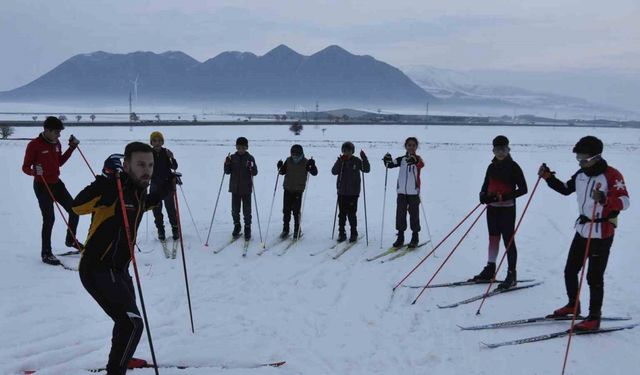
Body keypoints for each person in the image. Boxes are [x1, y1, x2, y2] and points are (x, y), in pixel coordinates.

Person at [73, 142, 174, 375]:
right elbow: (77, 206)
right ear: (126, 165)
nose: (146, 170)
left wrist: (165, 189)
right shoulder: (112, 189)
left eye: (150, 165)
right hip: (97, 269)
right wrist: (104, 184)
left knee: (126, 322)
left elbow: (142, 205)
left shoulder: (137, 192)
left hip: (119, 270)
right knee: (132, 323)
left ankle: (122, 356)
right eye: (140, 164)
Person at [539, 136, 629, 331]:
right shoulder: (581, 174)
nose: (580, 162)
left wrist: (606, 199)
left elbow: (625, 202)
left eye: (584, 159)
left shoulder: (612, 175)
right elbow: (565, 189)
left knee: (594, 277)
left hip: (602, 232)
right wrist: (548, 178)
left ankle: (594, 318)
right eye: (578, 158)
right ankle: (573, 305)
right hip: (582, 230)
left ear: (597, 157)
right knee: (570, 270)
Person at [21, 116, 81, 265]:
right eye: (56, 132)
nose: (59, 135)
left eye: (60, 132)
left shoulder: (57, 143)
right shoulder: (34, 145)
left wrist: (72, 148)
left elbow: (58, 162)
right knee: (49, 219)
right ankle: (46, 253)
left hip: (56, 183)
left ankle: (71, 240)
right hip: (42, 186)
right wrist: (34, 171)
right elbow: (25, 167)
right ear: (47, 130)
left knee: (75, 210)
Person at [470, 135, 528, 290]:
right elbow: (486, 184)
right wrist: (482, 195)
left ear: (508, 150)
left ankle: (511, 274)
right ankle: (490, 269)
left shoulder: (513, 166)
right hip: (493, 208)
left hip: (507, 209)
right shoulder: (492, 166)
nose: (500, 152)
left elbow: (523, 189)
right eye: (497, 150)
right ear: (493, 150)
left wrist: (504, 196)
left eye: (503, 149)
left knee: (508, 240)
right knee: (493, 238)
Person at [382, 137, 424, 248]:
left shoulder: (418, 159)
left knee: (414, 215)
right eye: (409, 145)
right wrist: (387, 160)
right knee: (400, 214)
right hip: (401, 192)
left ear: (416, 147)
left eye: (413, 145)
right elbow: (390, 164)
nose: (411, 147)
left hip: (413, 193)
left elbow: (420, 164)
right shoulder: (401, 159)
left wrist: (415, 160)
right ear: (406, 146)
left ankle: (415, 237)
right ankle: (400, 237)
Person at [331, 141, 370, 242]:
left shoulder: (357, 161)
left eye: (348, 151)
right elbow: (334, 171)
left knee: (352, 213)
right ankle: (341, 232)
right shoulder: (341, 161)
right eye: (344, 151)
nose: (346, 153)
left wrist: (364, 159)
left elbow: (366, 169)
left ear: (352, 151)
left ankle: (354, 233)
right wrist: (340, 161)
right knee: (342, 214)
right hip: (342, 192)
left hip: (353, 192)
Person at [277, 144, 318, 239]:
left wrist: (313, 165)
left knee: (296, 211)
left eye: (296, 154)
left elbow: (314, 173)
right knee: (286, 211)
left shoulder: (305, 162)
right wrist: (279, 167)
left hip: (298, 190)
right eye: (292, 153)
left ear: (300, 153)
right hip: (287, 188)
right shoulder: (288, 160)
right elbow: (282, 172)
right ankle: (285, 229)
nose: (294, 156)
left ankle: (297, 230)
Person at [224, 137, 258, 240]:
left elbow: (255, 172)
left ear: (246, 148)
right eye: (238, 147)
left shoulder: (250, 158)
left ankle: (247, 227)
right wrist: (227, 163)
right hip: (235, 188)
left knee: (247, 211)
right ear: (236, 147)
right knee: (235, 210)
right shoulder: (232, 157)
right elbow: (227, 171)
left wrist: (251, 168)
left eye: (243, 148)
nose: (241, 150)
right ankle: (237, 226)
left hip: (246, 188)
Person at [149, 131, 179, 242]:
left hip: (167, 185)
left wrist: (172, 157)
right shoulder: (148, 154)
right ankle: (161, 230)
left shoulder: (166, 152)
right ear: (151, 142)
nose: (157, 143)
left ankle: (175, 229)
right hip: (154, 185)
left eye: (159, 141)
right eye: (155, 141)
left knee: (171, 208)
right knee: (156, 209)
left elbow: (174, 166)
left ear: (162, 142)